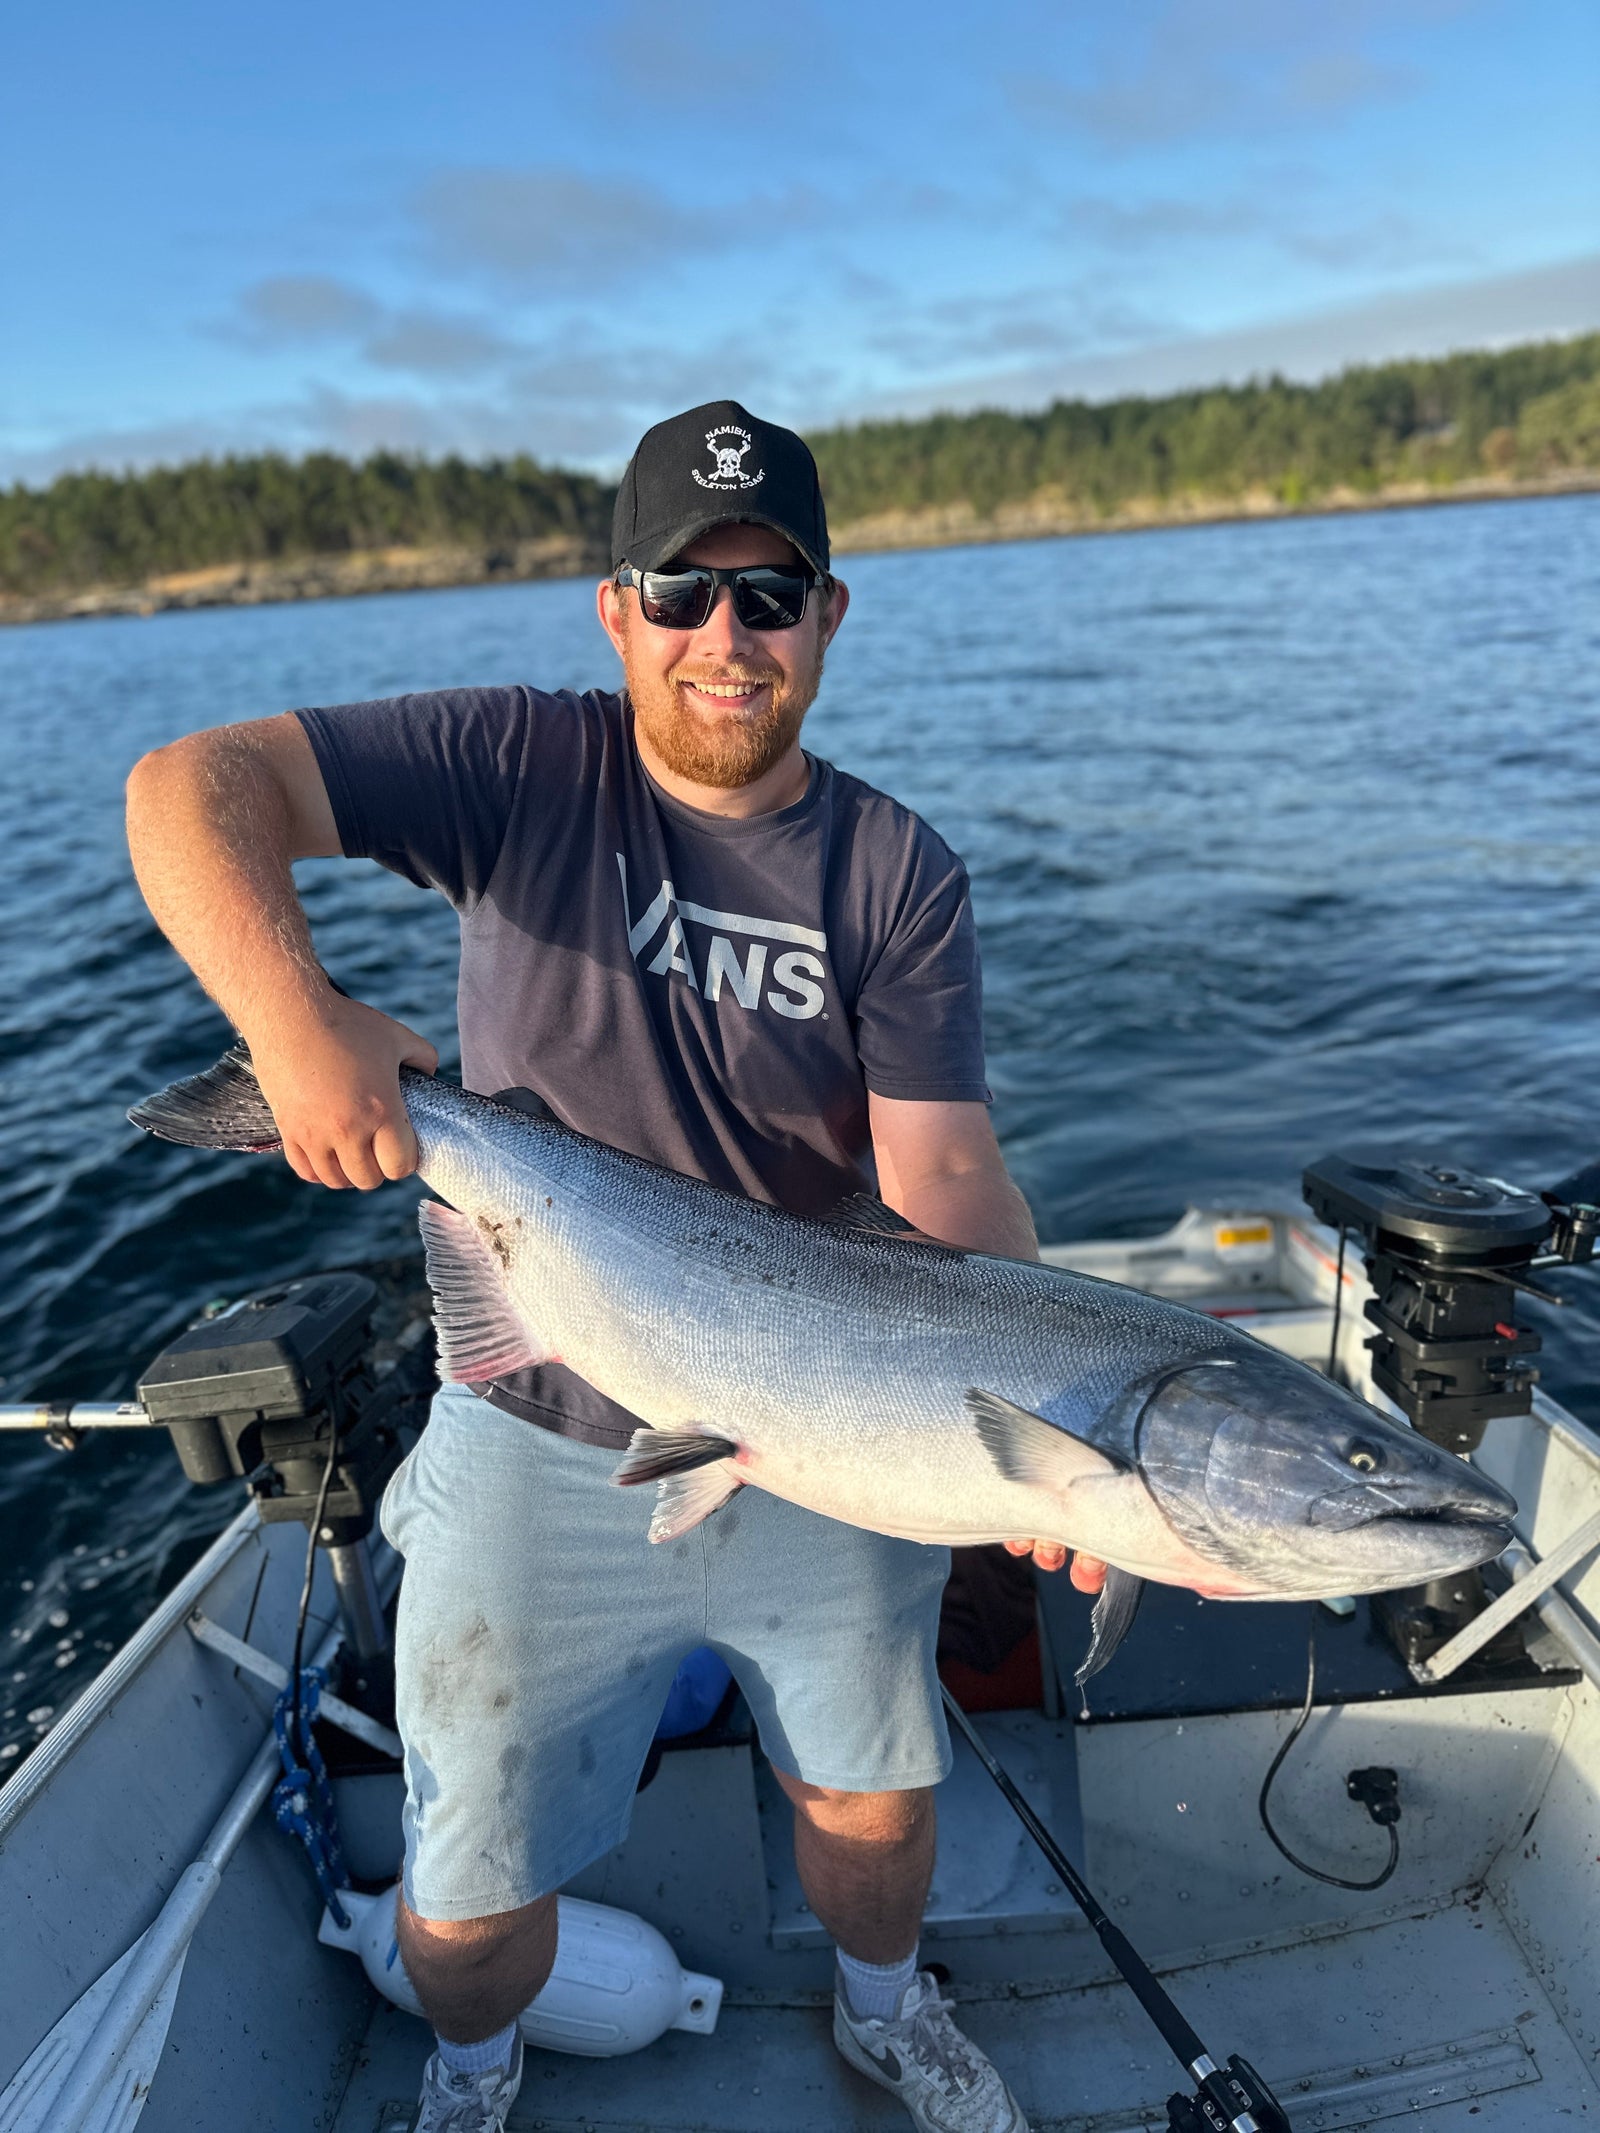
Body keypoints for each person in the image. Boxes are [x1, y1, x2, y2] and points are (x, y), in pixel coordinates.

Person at [126, 400, 1104, 2133]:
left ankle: (888, 2007)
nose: (727, 637)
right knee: (468, 1894)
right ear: (615, 608)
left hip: (820, 1422)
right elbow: (193, 785)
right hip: (536, 1409)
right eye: (684, 591)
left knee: (879, 1800)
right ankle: (475, 2059)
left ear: (829, 614)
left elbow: (943, 1171)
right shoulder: (521, 762)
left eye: (771, 593)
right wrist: (293, 1024)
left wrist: (1032, 1406)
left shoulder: (898, 871)